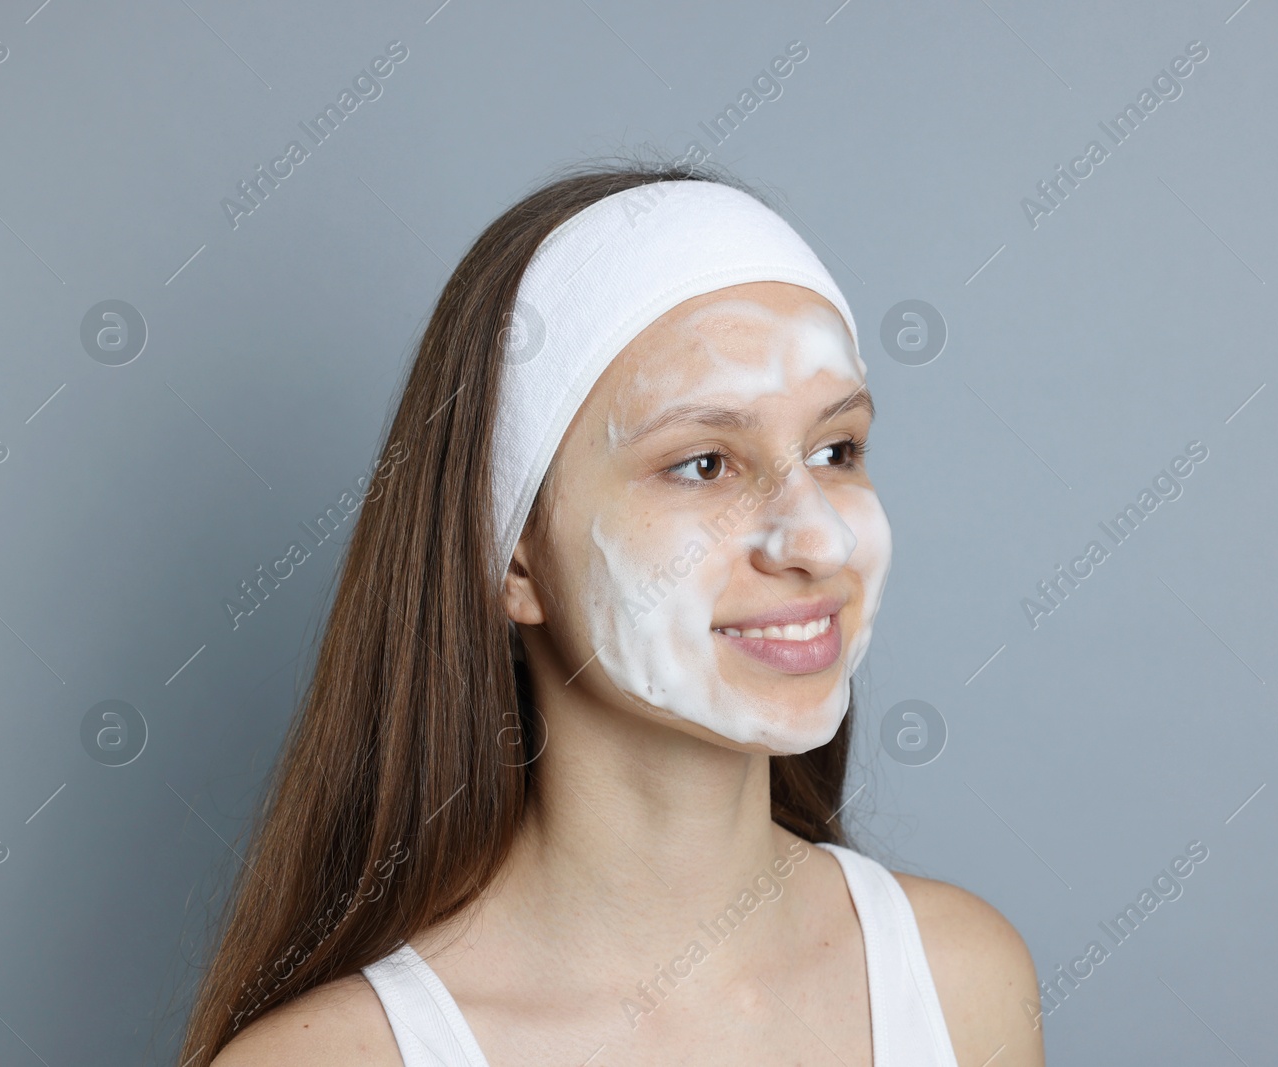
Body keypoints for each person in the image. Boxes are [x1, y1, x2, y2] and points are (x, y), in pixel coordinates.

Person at [187, 163, 1045, 1066]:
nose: (820, 540)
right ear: (514, 557)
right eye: (705, 463)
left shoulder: (963, 983)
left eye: (837, 449)